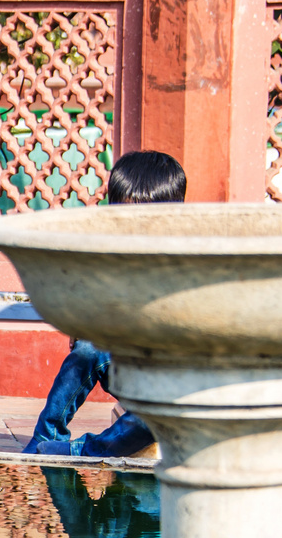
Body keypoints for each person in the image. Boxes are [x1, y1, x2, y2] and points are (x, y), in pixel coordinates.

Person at [21, 151, 185, 458]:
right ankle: (45, 436)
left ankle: (83, 449)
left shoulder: (189, 260)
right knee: (89, 349)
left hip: (172, 387)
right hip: (127, 370)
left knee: (157, 417)